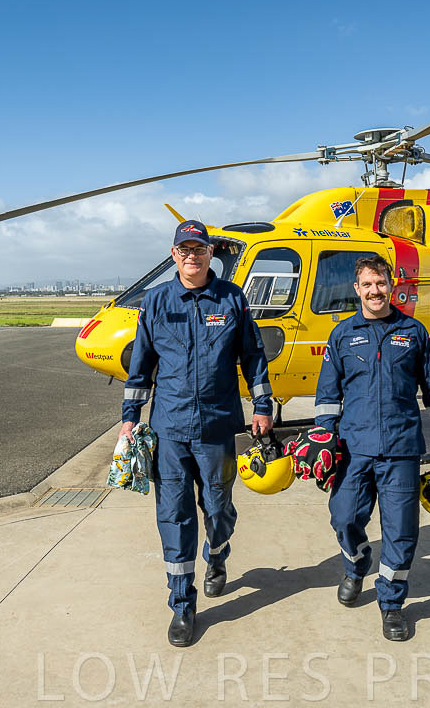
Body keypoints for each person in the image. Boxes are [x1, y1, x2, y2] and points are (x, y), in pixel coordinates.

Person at [121, 219, 274, 647]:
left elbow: (253, 357)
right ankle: (182, 605)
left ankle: (218, 554)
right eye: (184, 249)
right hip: (169, 428)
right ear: (174, 255)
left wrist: (263, 406)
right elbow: (141, 364)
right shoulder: (156, 302)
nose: (192, 256)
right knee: (175, 515)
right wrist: (130, 416)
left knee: (218, 507)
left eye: (199, 249)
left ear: (210, 254)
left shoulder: (232, 298)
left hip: (216, 425)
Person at [314, 254, 430, 641]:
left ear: (391, 286)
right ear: (356, 289)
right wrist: (324, 437)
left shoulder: (413, 332)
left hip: (401, 447)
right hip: (354, 447)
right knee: (343, 517)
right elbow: (327, 393)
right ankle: (356, 565)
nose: (374, 291)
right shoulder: (342, 335)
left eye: (380, 283)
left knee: (401, 531)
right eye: (367, 284)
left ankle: (391, 603)